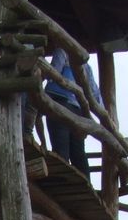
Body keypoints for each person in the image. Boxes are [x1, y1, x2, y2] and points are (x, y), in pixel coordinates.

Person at [43, 46, 101, 176]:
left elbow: (54, 71)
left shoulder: (62, 51)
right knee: (78, 152)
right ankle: (86, 182)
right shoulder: (86, 66)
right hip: (78, 109)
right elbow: (95, 93)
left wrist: (42, 69)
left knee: (61, 150)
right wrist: (105, 118)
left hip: (59, 102)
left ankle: (61, 181)